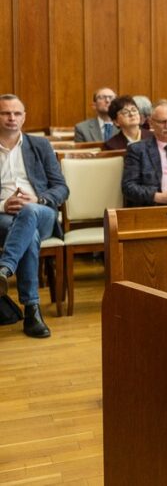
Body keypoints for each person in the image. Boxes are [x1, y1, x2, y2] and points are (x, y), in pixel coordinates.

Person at [0, 94, 68, 338]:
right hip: (4, 217)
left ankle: (5, 268)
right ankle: (31, 310)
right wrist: (3, 204)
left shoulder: (39, 146)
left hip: (42, 212)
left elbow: (61, 188)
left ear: (24, 117)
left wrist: (37, 200)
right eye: (5, 113)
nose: (11, 118)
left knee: (29, 213)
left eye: (17, 113)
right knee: (29, 237)